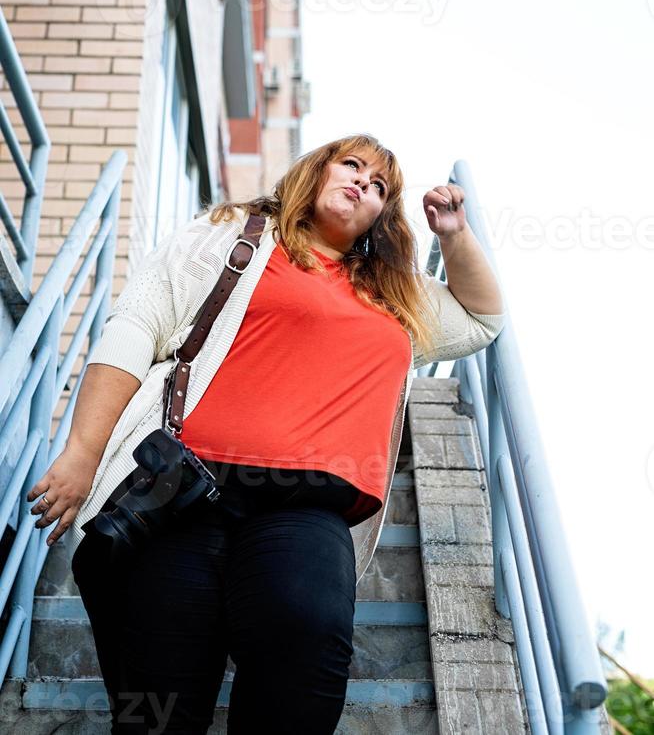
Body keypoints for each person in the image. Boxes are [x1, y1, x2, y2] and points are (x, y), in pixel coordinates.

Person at [26, 133, 505, 734]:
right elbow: (133, 330)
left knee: (306, 648)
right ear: (316, 171)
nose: (361, 183)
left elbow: (480, 318)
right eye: (351, 165)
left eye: (379, 186)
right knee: (158, 702)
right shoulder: (225, 236)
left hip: (308, 508)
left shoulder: (394, 293)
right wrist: (81, 454)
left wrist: (455, 235)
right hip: (181, 495)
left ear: (381, 214)